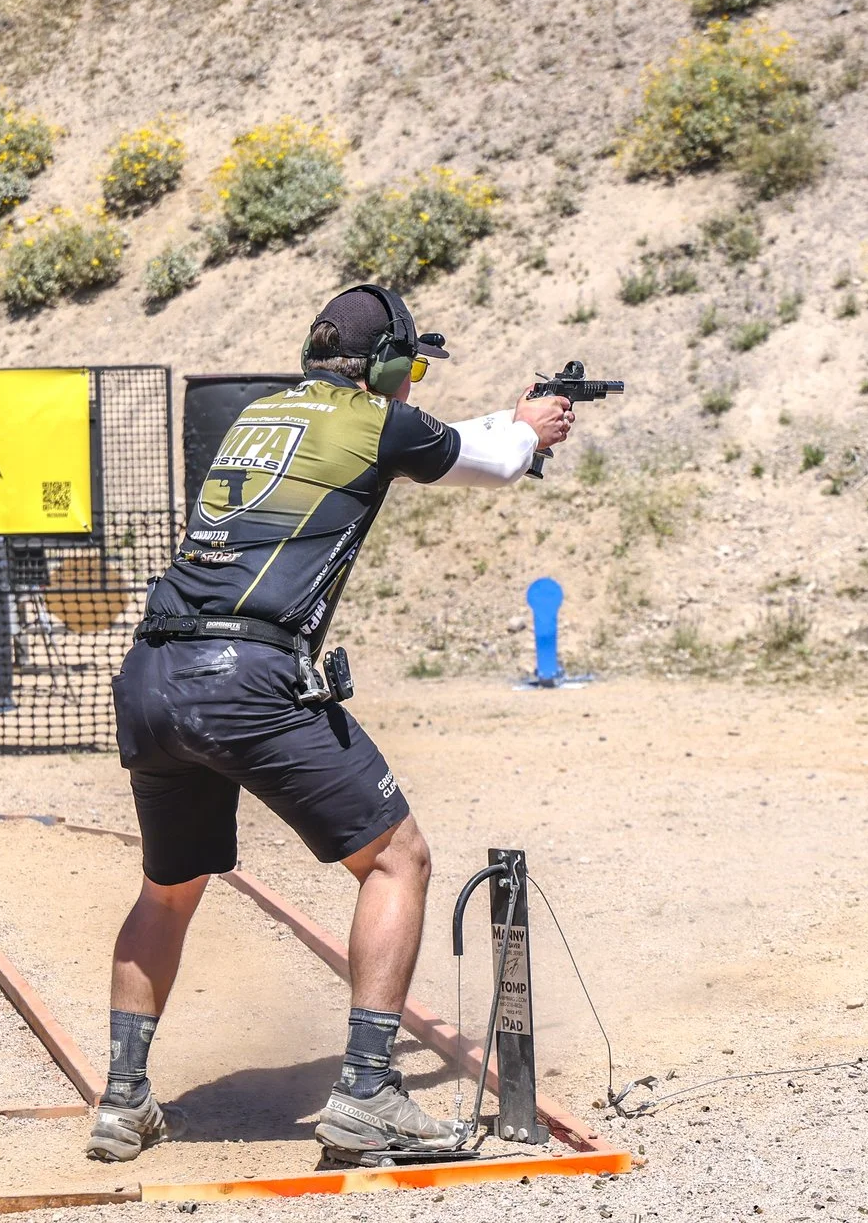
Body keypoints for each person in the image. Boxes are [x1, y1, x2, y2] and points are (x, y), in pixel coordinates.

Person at [89, 284, 577, 1166]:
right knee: (399, 860)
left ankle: (123, 1101)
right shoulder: (379, 423)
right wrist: (529, 432)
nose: (412, 383)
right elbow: (486, 462)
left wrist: (510, 420)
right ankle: (366, 1092)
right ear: (385, 369)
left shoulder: (263, 416)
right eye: (410, 367)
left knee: (168, 889)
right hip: (247, 677)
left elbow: (419, 439)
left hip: (153, 673)